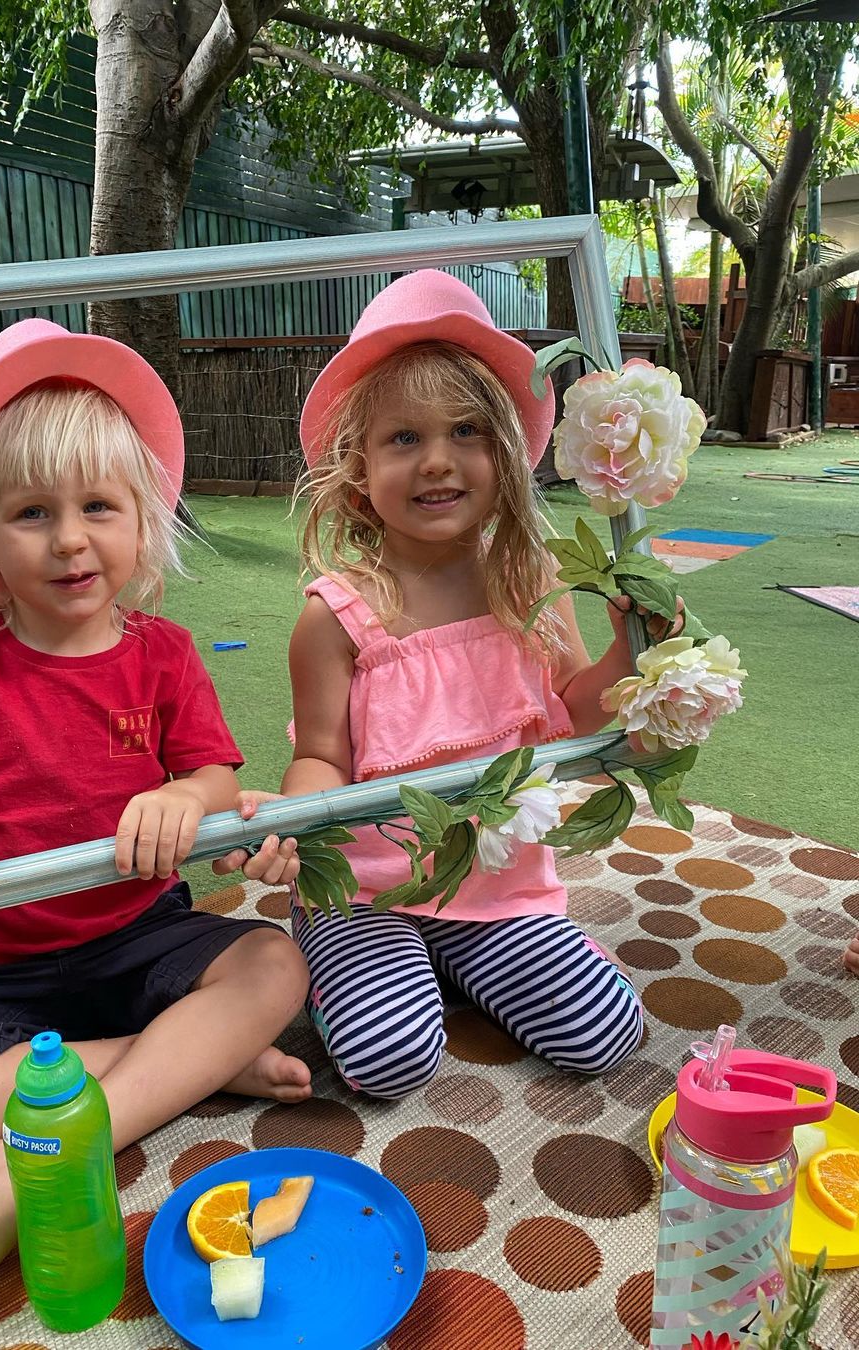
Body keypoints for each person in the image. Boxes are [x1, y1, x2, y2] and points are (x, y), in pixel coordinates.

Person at [0, 318, 310, 1315]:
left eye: (99, 506)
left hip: (140, 935)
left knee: (276, 962)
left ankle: (29, 1159)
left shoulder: (164, 654)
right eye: (31, 512)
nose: (70, 539)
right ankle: (196, 1068)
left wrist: (182, 797)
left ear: (144, 521)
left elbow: (213, 776)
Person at [219, 270, 684, 1100]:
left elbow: (576, 710)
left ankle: (466, 962)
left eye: (466, 431)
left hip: (498, 885)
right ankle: (352, 962)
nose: (437, 460)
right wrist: (294, 829)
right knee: (390, 1060)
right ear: (358, 469)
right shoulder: (336, 617)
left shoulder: (530, 582)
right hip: (369, 892)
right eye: (403, 438)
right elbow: (322, 757)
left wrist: (628, 649)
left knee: (603, 1035)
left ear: (504, 454)